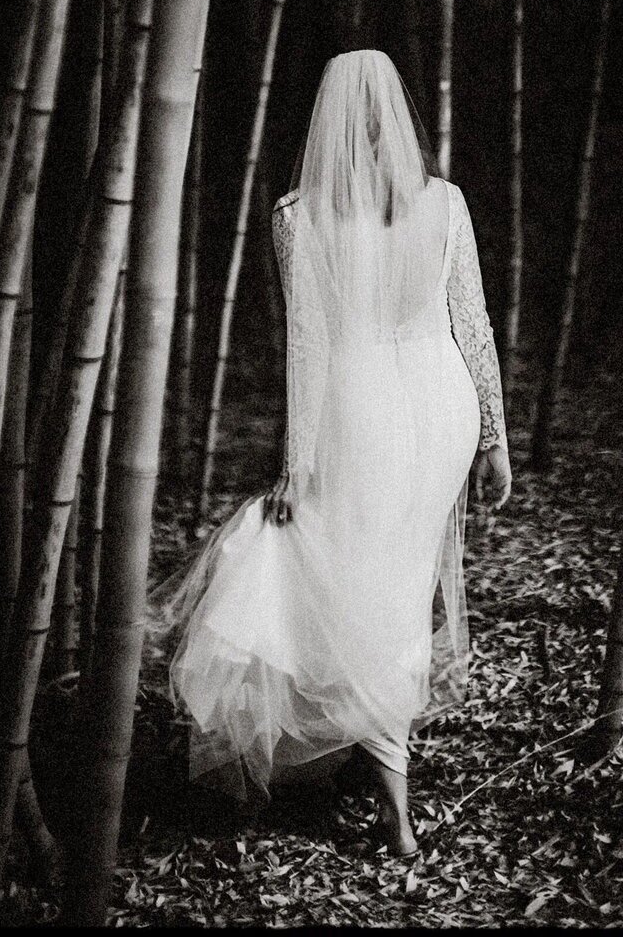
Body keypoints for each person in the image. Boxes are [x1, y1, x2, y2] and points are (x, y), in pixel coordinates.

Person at [151, 49, 511, 856]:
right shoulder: (445, 203)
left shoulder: (297, 214)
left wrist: (295, 462)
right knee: (400, 581)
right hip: (440, 402)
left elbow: (308, 348)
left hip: (361, 407)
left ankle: (384, 782)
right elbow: (474, 326)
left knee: (355, 577)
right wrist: (493, 436)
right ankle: (378, 763)